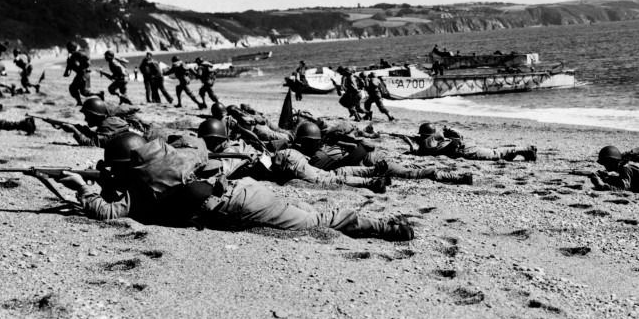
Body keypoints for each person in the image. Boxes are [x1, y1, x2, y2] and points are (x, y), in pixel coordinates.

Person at [56, 133, 413, 240]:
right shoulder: (166, 159)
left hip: (240, 204)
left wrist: (80, 187)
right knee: (310, 214)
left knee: (318, 222)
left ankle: (385, 226)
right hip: (240, 191)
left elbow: (105, 212)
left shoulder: (143, 192)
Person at [195, 119, 390, 194]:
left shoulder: (232, 151)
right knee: (331, 173)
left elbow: (221, 170)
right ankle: (372, 172)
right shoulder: (231, 146)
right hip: (284, 160)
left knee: (326, 179)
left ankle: (371, 183)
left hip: (286, 162)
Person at [296, 122, 471, 185]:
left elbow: (315, 170)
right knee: (407, 169)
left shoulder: (320, 156)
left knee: (410, 173)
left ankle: (456, 177)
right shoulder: (327, 146)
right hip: (370, 159)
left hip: (371, 162)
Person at [58, 97, 165, 147]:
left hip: (154, 140)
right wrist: (82, 130)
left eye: (88, 116)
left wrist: (74, 130)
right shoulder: (107, 121)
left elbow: (93, 143)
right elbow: (101, 137)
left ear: (96, 116)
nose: (85, 120)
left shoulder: (107, 124)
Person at [399, 123, 537, 161]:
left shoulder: (425, 144)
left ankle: (526, 150)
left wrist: (410, 143)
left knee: (495, 154)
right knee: (492, 151)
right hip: (463, 146)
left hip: (463, 150)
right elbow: (456, 134)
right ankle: (519, 150)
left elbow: (418, 153)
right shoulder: (434, 139)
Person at [63, 42, 99, 106]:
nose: (67, 48)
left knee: (83, 92)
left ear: (71, 48)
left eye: (68, 47)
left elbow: (80, 63)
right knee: (73, 89)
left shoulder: (76, 54)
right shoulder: (72, 56)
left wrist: (80, 67)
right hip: (81, 75)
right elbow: (68, 70)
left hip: (83, 75)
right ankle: (79, 102)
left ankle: (99, 94)